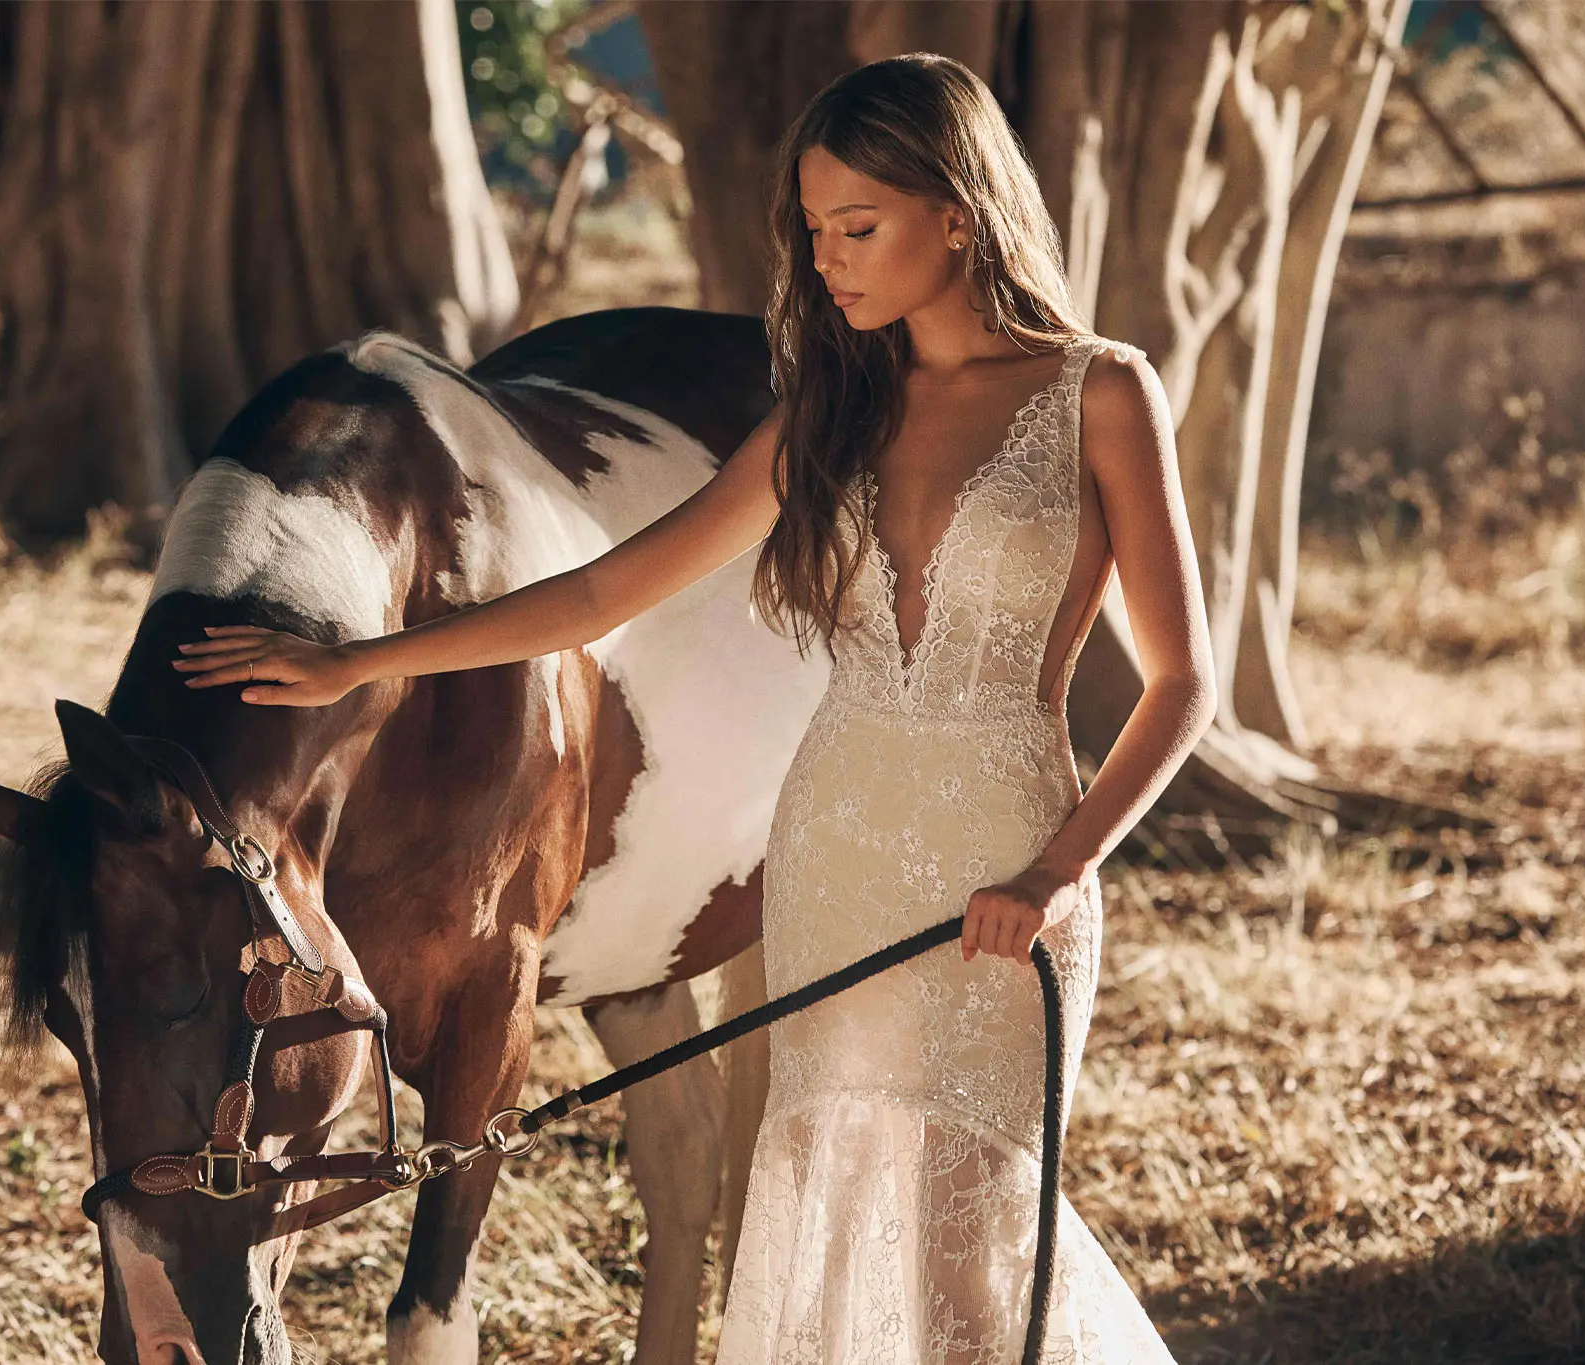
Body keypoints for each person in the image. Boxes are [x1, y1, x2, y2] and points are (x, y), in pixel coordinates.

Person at [175, 52, 1206, 1365]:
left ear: (959, 212)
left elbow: (1182, 683)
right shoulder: (835, 412)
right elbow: (604, 587)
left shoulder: (1102, 391)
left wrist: (1061, 870)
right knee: (838, 1189)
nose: (828, 262)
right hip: (833, 843)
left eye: (860, 228)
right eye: (814, 231)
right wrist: (365, 664)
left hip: (1010, 846)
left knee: (976, 1205)